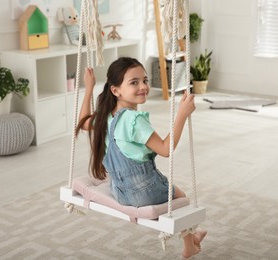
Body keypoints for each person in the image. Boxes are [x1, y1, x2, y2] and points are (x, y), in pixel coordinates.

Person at [76, 57, 206, 258]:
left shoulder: (105, 116)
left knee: (176, 196)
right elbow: (165, 149)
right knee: (181, 198)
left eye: (144, 80)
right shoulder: (133, 120)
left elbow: (83, 122)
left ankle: (193, 238)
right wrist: (182, 114)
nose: (143, 86)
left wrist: (88, 88)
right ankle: (189, 244)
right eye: (134, 82)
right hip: (145, 193)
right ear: (115, 90)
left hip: (120, 191)